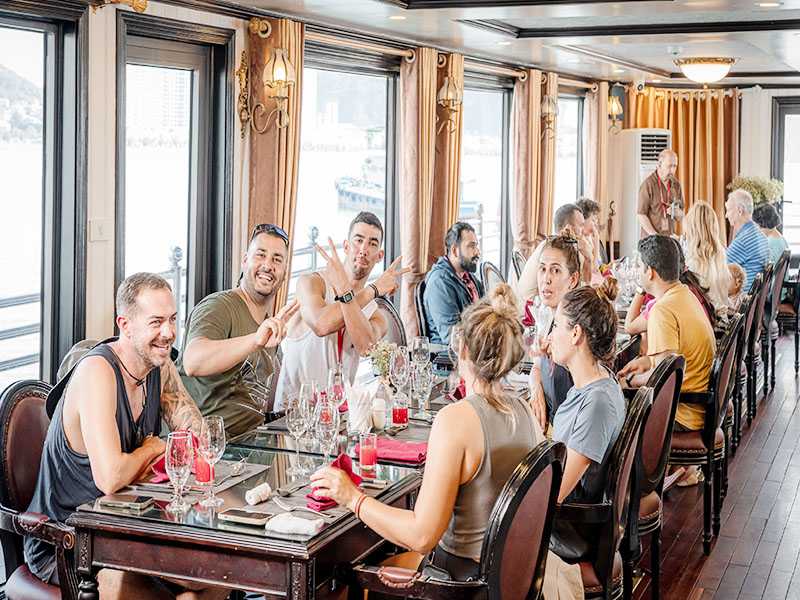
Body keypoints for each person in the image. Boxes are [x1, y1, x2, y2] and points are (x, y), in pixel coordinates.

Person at [310, 284, 543, 582]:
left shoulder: (456, 420)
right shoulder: (526, 412)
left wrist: (352, 497)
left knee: (342, 575)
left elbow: (421, 536)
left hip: (460, 583)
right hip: (513, 577)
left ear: (462, 348)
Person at [25, 273, 226, 600]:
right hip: (70, 543)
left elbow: (199, 440)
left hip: (127, 532)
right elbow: (111, 478)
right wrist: (152, 449)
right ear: (125, 324)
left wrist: (174, 450)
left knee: (217, 577)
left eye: (172, 319)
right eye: (156, 322)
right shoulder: (97, 372)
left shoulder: (158, 364)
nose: (168, 333)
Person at [275, 212, 409, 410]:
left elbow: (366, 347)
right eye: (358, 240)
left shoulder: (375, 313)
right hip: (292, 415)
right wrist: (371, 290)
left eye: (372, 244)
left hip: (339, 415)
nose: (363, 249)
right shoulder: (311, 283)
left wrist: (355, 293)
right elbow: (321, 325)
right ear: (346, 247)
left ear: (379, 256)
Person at [178, 224, 299, 438]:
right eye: (260, 255)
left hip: (253, 444)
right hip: (208, 445)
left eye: (277, 259)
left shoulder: (270, 325)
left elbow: (267, 400)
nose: (268, 265)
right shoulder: (219, 306)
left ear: (284, 272)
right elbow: (193, 362)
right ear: (245, 261)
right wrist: (256, 340)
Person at [618, 236, 716, 483]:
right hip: (700, 404)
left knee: (613, 412)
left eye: (640, 267)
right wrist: (645, 363)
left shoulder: (662, 310)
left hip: (683, 414)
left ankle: (638, 490)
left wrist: (629, 382)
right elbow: (672, 358)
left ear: (650, 272)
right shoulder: (684, 294)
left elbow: (664, 379)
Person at [548, 279, 626, 563]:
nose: (550, 335)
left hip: (571, 530)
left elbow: (556, 494)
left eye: (556, 325)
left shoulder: (596, 404)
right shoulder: (594, 381)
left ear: (576, 334)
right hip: (569, 518)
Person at [528, 235, 581, 430]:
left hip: (567, 431)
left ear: (573, 280)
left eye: (555, 270)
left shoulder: (576, 329)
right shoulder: (547, 314)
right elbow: (536, 367)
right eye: (542, 269)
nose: (546, 279)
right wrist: (536, 388)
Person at [515, 203, 594, 303]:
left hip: (530, 302)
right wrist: (588, 257)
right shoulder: (562, 250)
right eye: (581, 225)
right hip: (535, 306)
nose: (584, 231)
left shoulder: (549, 244)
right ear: (569, 227)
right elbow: (584, 293)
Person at [423, 221, 484, 344]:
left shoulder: (470, 278)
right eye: (471, 246)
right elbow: (453, 337)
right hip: (448, 354)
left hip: (477, 347)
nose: (477, 252)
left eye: (476, 246)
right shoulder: (439, 283)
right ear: (455, 251)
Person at [683, 200, 732, 311]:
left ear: (692, 229)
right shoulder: (720, 253)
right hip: (721, 314)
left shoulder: (693, 263)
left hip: (709, 319)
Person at [726, 189, 770, 290]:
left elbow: (718, 269)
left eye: (728, 210)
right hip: (754, 295)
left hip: (743, 296)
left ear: (740, 210)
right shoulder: (757, 234)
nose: (726, 215)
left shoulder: (744, 240)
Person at [637, 149, 684, 236]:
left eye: (675, 166)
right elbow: (641, 214)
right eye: (669, 166)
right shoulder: (648, 184)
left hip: (669, 237)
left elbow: (681, 215)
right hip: (651, 239)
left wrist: (677, 213)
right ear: (659, 164)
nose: (672, 170)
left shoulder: (676, 185)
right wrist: (655, 235)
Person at [576, 196, 608, 266]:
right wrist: (596, 246)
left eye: (596, 220)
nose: (596, 224)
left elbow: (600, 265)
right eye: (593, 220)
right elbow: (593, 269)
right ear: (582, 219)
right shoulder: (579, 244)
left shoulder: (589, 239)